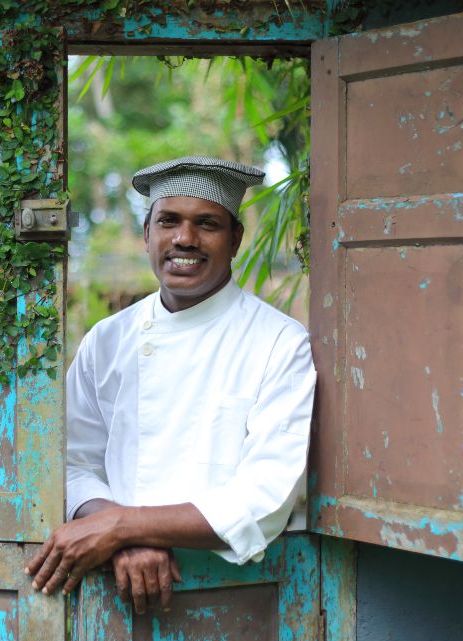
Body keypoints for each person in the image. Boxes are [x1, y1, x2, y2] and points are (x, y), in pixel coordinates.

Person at [24, 156, 316, 614]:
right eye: (168, 221)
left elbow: (264, 496)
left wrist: (124, 528)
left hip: (236, 597)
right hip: (110, 594)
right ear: (146, 235)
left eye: (207, 223)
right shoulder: (107, 339)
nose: (185, 238)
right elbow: (70, 463)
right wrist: (121, 533)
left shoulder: (279, 342)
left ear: (235, 239)